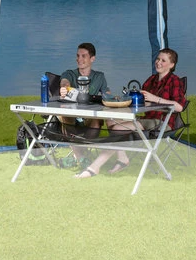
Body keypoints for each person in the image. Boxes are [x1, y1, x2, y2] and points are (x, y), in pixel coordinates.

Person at [75, 47, 186, 178]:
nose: (158, 62)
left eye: (163, 60)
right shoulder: (151, 80)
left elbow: (179, 107)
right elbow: (142, 103)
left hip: (162, 123)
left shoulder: (174, 81)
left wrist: (155, 98)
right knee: (111, 119)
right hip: (146, 119)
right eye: (158, 59)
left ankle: (94, 167)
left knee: (117, 128)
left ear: (172, 65)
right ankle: (122, 158)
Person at [58, 42, 109, 167]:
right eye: (78, 56)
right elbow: (64, 81)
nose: (79, 59)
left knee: (97, 120)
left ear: (92, 58)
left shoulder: (99, 77)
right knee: (65, 115)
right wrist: (64, 88)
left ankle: (80, 155)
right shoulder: (70, 73)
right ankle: (81, 157)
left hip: (89, 117)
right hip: (71, 116)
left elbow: (107, 94)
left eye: (83, 56)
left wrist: (108, 95)